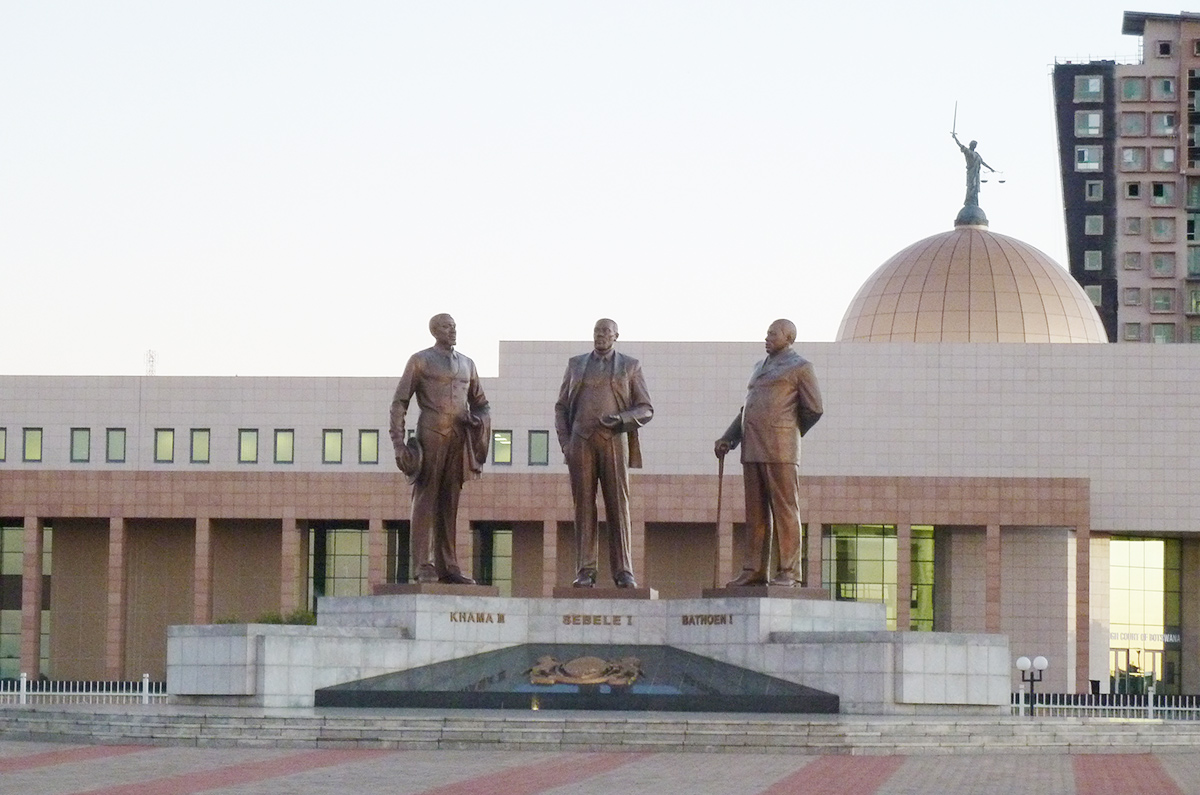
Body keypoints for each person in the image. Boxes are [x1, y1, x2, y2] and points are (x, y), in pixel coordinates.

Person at [715, 319, 822, 587]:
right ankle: (754, 570)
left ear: (788, 337)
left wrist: (788, 431)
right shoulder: (758, 366)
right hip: (752, 446)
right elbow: (748, 408)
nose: (767, 338)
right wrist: (729, 437)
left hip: (781, 449)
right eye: (767, 334)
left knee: (785, 510)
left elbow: (814, 409)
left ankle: (789, 572)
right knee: (755, 512)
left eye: (772, 334)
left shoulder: (800, 367)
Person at [389, 313, 491, 584]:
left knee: (450, 500)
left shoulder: (468, 364)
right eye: (446, 327)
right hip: (431, 435)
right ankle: (423, 564)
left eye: (454, 326)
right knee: (425, 498)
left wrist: (478, 420)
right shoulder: (420, 360)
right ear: (434, 331)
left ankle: (449, 566)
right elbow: (399, 402)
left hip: (459, 437)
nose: (452, 330)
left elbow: (481, 404)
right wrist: (398, 443)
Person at [555, 318, 654, 588]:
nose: (600, 335)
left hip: (614, 440)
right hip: (581, 442)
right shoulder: (576, 364)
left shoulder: (630, 366)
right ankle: (585, 570)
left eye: (606, 331)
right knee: (583, 506)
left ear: (615, 336)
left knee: (618, 505)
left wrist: (621, 419)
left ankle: (623, 571)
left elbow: (646, 409)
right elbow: (561, 407)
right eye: (597, 331)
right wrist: (566, 444)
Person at [952, 132, 995, 208]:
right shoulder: (967, 151)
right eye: (973, 145)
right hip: (971, 172)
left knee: (975, 187)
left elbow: (982, 162)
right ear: (970, 145)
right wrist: (955, 137)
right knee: (971, 186)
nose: (974, 146)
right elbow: (960, 145)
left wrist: (991, 168)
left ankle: (974, 201)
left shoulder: (977, 154)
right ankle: (968, 201)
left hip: (976, 173)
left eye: (975, 145)